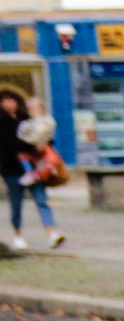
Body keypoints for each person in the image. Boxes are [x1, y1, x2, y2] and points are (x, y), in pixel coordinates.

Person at [3, 96, 63, 253]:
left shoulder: (29, 119)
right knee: (16, 204)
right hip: (12, 169)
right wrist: (31, 147)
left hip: (36, 167)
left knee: (41, 199)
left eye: (11, 100)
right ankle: (18, 235)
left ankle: (51, 233)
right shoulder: (3, 122)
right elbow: (9, 143)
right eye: (4, 101)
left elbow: (47, 136)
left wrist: (43, 146)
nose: (9, 103)